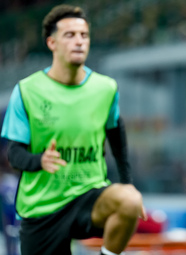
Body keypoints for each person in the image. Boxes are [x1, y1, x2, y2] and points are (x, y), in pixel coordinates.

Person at [0, 4, 146, 255]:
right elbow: (14, 154)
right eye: (69, 35)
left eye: (84, 35)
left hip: (88, 194)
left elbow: (116, 134)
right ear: (52, 43)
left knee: (130, 201)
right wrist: (40, 160)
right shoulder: (27, 90)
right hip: (42, 206)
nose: (79, 41)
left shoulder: (106, 88)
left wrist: (127, 182)